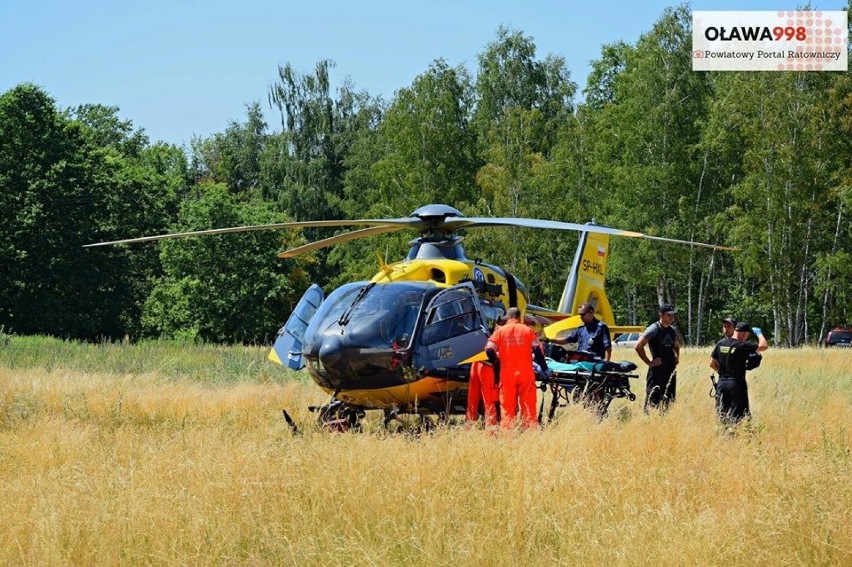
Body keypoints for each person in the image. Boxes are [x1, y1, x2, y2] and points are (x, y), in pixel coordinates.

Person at [485, 307, 548, 430]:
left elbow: (488, 350)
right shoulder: (527, 330)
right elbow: (537, 350)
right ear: (519, 317)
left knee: (507, 406)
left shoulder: (500, 331)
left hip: (507, 375)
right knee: (528, 405)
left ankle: (508, 435)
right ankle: (530, 434)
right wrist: (544, 368)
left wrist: (496, 359)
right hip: (526, 374)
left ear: (508, 317)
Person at [710, 321, 769, 425]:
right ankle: (736, 437)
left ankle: (722, 436)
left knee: (722, 413)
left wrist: (723, 373)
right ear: (744, 334)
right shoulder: (741, 345)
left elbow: (712, 363)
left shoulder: (721, 343)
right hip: (736, 384)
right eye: (747, 335)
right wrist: (759, 333)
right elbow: (763, 346)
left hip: (722, 383)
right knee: (738, 415)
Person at [635, 304, 681, 412]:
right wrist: (649, 362)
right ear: (661, 315)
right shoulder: (653, 329)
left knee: (669, 398)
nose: (671, 318)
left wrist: (677, 357)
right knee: (653, 396)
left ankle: (665, 421)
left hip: (670, 369)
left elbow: (676, 346)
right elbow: (638, 346)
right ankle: (649, 421)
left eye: (672, 315)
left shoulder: (672, 330)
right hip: (657, 370)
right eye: (669, 315)